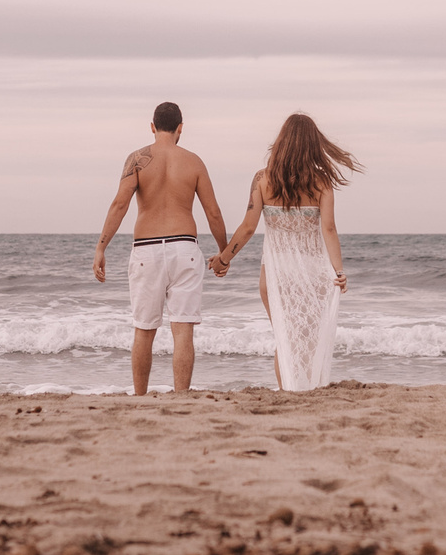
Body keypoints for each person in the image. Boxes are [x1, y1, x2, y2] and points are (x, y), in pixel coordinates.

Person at [210, 113, 358, 390]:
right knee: (308, 341)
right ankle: (307, 389)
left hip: (276, 276)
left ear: (281, 142)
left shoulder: (262, 179)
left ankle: (287, 392)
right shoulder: (322, 182)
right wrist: (338, 271)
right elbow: (329, 229)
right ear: (313, 145)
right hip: (314, 273)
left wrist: (223, 259)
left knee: (285, 339)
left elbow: (247, 228)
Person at [92, 101, 228, 395]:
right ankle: (181, 397)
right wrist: (223, 253)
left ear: (152, 127)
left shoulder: (137, 159)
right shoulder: (194, 162)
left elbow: (119, 204)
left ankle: (140, 397)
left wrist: (101, 247)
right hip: (185, 249)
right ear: (181, 128)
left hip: (146, 250)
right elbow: (213, 212)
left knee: (144, 330)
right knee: (183, 332)